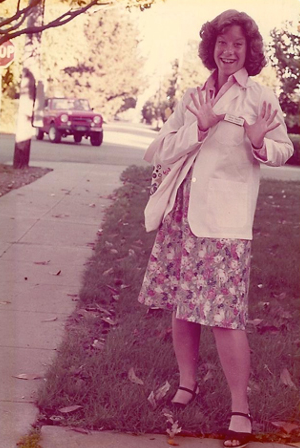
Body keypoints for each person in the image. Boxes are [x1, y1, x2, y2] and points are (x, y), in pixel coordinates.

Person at [138, 9, 293, 448]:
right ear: (212, 48)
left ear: (249, 51)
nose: (228, 51)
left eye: (237, 45)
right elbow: (159, 149)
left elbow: (281, 149)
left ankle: (239, 408)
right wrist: (198, 128)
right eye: (221, 43)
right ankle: (187, 383)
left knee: (225, 318)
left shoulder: (259, 97)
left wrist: (260, 141)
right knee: (182, 305)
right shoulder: (193, 95)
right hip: (182, 215)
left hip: (225, 221)